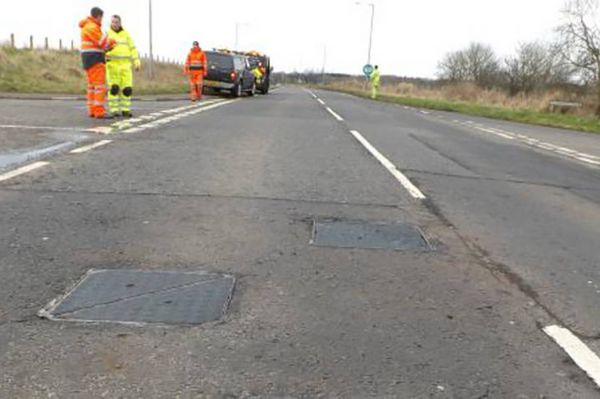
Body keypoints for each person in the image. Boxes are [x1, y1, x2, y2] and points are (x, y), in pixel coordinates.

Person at [79, 7, 115, 119]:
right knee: (99, 86)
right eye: (101, 18)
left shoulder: (87, 26)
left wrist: (106, 47)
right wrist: (112, 42)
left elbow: (99, 45)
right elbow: (102, 43)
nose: (102, 20)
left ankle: (92, 110)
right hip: (94, 59)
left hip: (89, 59)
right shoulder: (92, 27)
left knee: (92, 86)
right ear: (98, 16)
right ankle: (99, 111)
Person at [106, 15, 141, 118]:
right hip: (112, 66)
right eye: (113, 22)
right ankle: (114, 110)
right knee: (114, 89)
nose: (115, 24)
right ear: (110, 23)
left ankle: (125, 110)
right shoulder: (107, 34)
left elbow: (133, 49)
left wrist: (136, 61)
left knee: (127, 90)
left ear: (120, 23)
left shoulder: (127, 35)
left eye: (117, 22)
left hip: (126, 66)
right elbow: (102, 48)